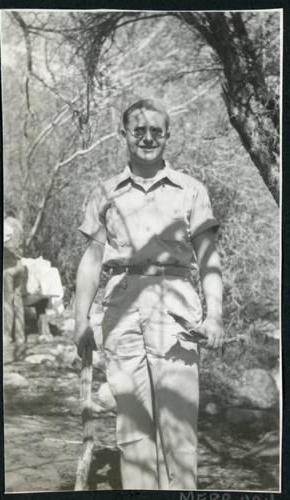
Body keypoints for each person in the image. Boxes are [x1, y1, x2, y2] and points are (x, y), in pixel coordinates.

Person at [74, 99, 224, 490]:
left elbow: (208, 258)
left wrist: (215, 315)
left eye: (156, 130)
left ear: (168, 136)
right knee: (133, 427)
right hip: (120, 304)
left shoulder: (191, 190)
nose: (147, 137)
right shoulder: (104, 191)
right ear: (123, 134)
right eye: (138, 130)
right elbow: (91, 262)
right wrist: (80, 322)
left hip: (175, 304)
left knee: (177, 423)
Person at [3, 207, 26, 350]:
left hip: (8, 265)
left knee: (6, 302)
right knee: (18, 301)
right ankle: (20, 337)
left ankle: (6, 335)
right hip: (20, 264)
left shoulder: (6, 224)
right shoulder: (19, 224)